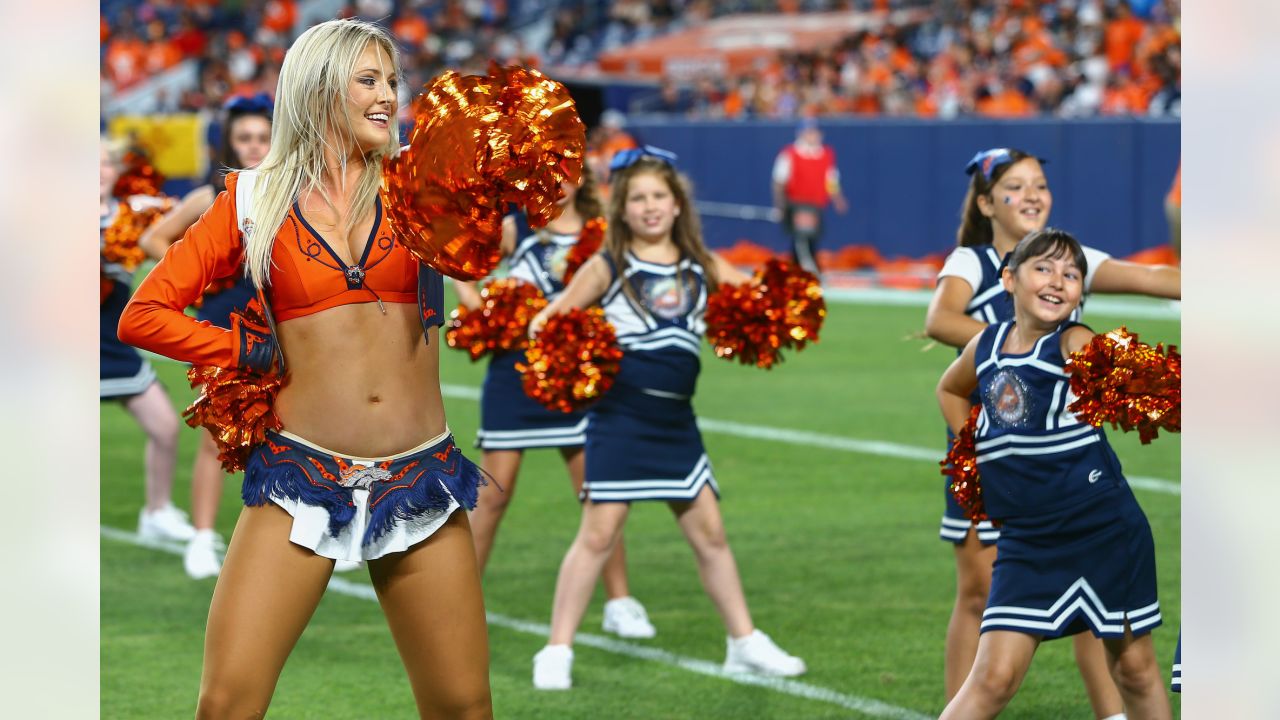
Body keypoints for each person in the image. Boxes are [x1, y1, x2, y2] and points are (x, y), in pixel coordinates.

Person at [118, 20, 492, 718]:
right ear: (320, 89)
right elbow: (145, 314)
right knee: (226, 705)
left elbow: (486, 245)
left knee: (464, 709)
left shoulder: (422, 185)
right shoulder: (251, 200)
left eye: (391, 81)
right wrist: (238, 351)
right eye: (368, 81)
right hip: (303, 478)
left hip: (420, 477)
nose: (388, 96)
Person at [526, 146, 806, 690]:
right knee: (599, 533)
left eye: (660, 196)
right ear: (622, 209)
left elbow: (760, 302)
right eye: (638, 198)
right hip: (620, 417)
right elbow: (547, 323)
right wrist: (577, 362)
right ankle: (556, 648)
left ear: (678, 204)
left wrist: (783, 307)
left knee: (711, 535)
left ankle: (743, 642)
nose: (650, 207)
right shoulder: (608, 264)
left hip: (677, 421)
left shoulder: (702, 264)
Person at [923, 147, 1179, 717]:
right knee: (993, 678)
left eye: (1072, 274)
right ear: (1009, 277)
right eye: (1045, 269)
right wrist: (971, 454)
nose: (1060, 280)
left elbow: (1157, 389)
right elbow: (947, 387)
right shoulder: (983, 344)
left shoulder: (1076, 342)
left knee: (1135, 670)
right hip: (1028, 540)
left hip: (1100, 529)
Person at [455, 170, 655, 639]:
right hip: (514, 374)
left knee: (598, 492)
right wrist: (482, 312)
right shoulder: (515, 227)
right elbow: (465, 269)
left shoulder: (602, 229)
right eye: (547, 171)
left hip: (577, 379)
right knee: (492, 496)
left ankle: (620, 602)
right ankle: (460, 603)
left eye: (567, 171)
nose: (557, 182)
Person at [139, 93, 273, 580]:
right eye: (245, 138)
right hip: (219, 324)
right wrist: (200, 283)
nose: (255, 146)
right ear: (229, 143)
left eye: (262, 137)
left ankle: (316, 530)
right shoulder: (211, 196)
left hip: (271, 325)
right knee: (219, 436)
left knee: (290, 430)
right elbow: (153, 238)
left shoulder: (284, 191)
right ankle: (200, 537)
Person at [101, 139, 196, 545]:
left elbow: (180, 224)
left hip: (112, 345)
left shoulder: (132, 214)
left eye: (106, 163)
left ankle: (156, 511)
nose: (99, 171)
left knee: (164, 426)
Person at [771, 117, 848, 278]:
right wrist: (780, 205)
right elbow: (779, 181)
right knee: (801, 240)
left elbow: (830, 181)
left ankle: (796, 274)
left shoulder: (825, 154)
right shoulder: (790, 154)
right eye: (810, 132)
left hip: (816, 206)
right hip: (797, 204)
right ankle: (809, 273)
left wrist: (838, 199)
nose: (814, 136)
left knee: (810, 240)